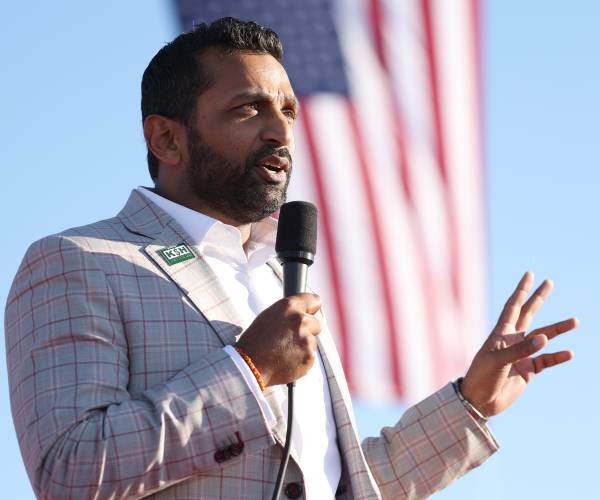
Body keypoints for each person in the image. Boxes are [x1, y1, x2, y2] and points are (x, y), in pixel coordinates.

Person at [5, 18, 577, 500]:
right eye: (248, 109)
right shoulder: (77, 262)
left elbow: (328, 482)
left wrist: (468, 404)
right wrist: (248, 374)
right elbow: (70, 469)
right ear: (166, 140)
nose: (280, 130)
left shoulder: (279, 274)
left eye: (288, 111)